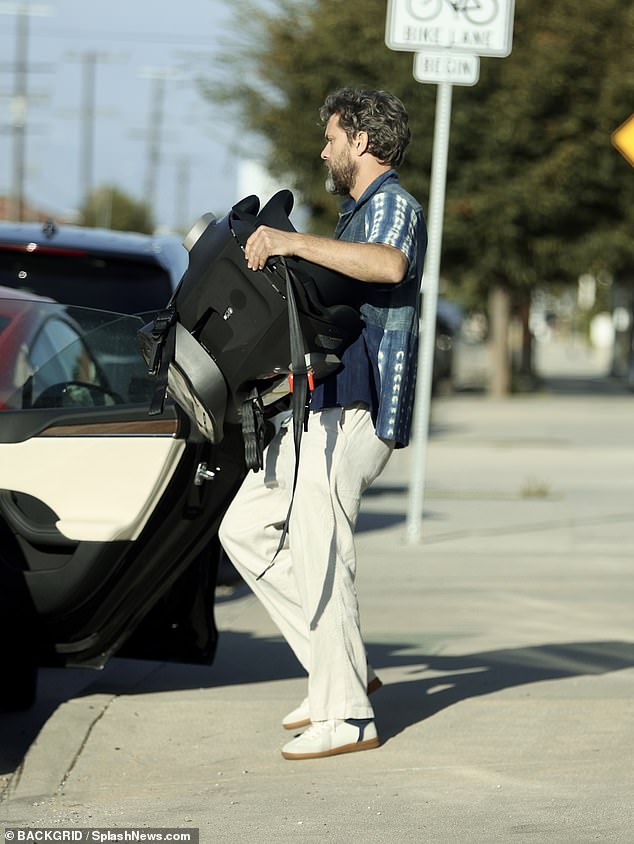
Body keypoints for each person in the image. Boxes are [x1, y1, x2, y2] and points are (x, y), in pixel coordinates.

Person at [219, 87, 427, 760]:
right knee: (245, 527)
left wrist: (292, 241)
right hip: (323, 402)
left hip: (362, 406)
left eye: (332, 137)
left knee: (323, 549)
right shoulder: (355, 214)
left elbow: (389, 264)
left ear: (361, 142)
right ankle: (338, 667)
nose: (324, 149)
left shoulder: (393, 206)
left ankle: (347, 716)